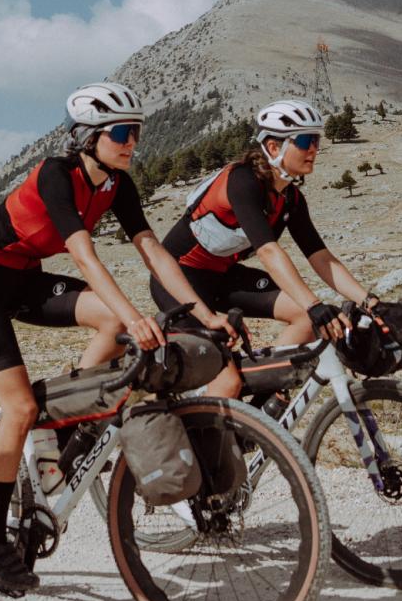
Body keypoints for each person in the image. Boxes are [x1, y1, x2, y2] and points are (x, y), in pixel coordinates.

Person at [0, 81, 229, 593]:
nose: (131, 142)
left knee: (113, 324)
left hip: (27, 277)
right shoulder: (58, 174)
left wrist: (202, 312)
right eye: (121, 132)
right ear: (87, 136)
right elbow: (83, 256)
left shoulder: (118, 184)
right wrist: (136, 316)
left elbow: (154, 250)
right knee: (19, 408)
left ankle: (66, 417)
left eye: (136, 132)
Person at [150, 99, 381, 398]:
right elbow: (269, 252)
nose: (314, 148)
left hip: (222, 278)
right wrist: (315, 304)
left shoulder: (291, 199)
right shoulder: (242, 180)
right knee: (227, 381)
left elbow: (321, 257)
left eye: (316, 140)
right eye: (305, 140)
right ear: (274, 147)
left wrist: (368, 300)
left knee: (303, 317)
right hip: (178, 282)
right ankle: (208, 438)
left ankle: (265, 408)